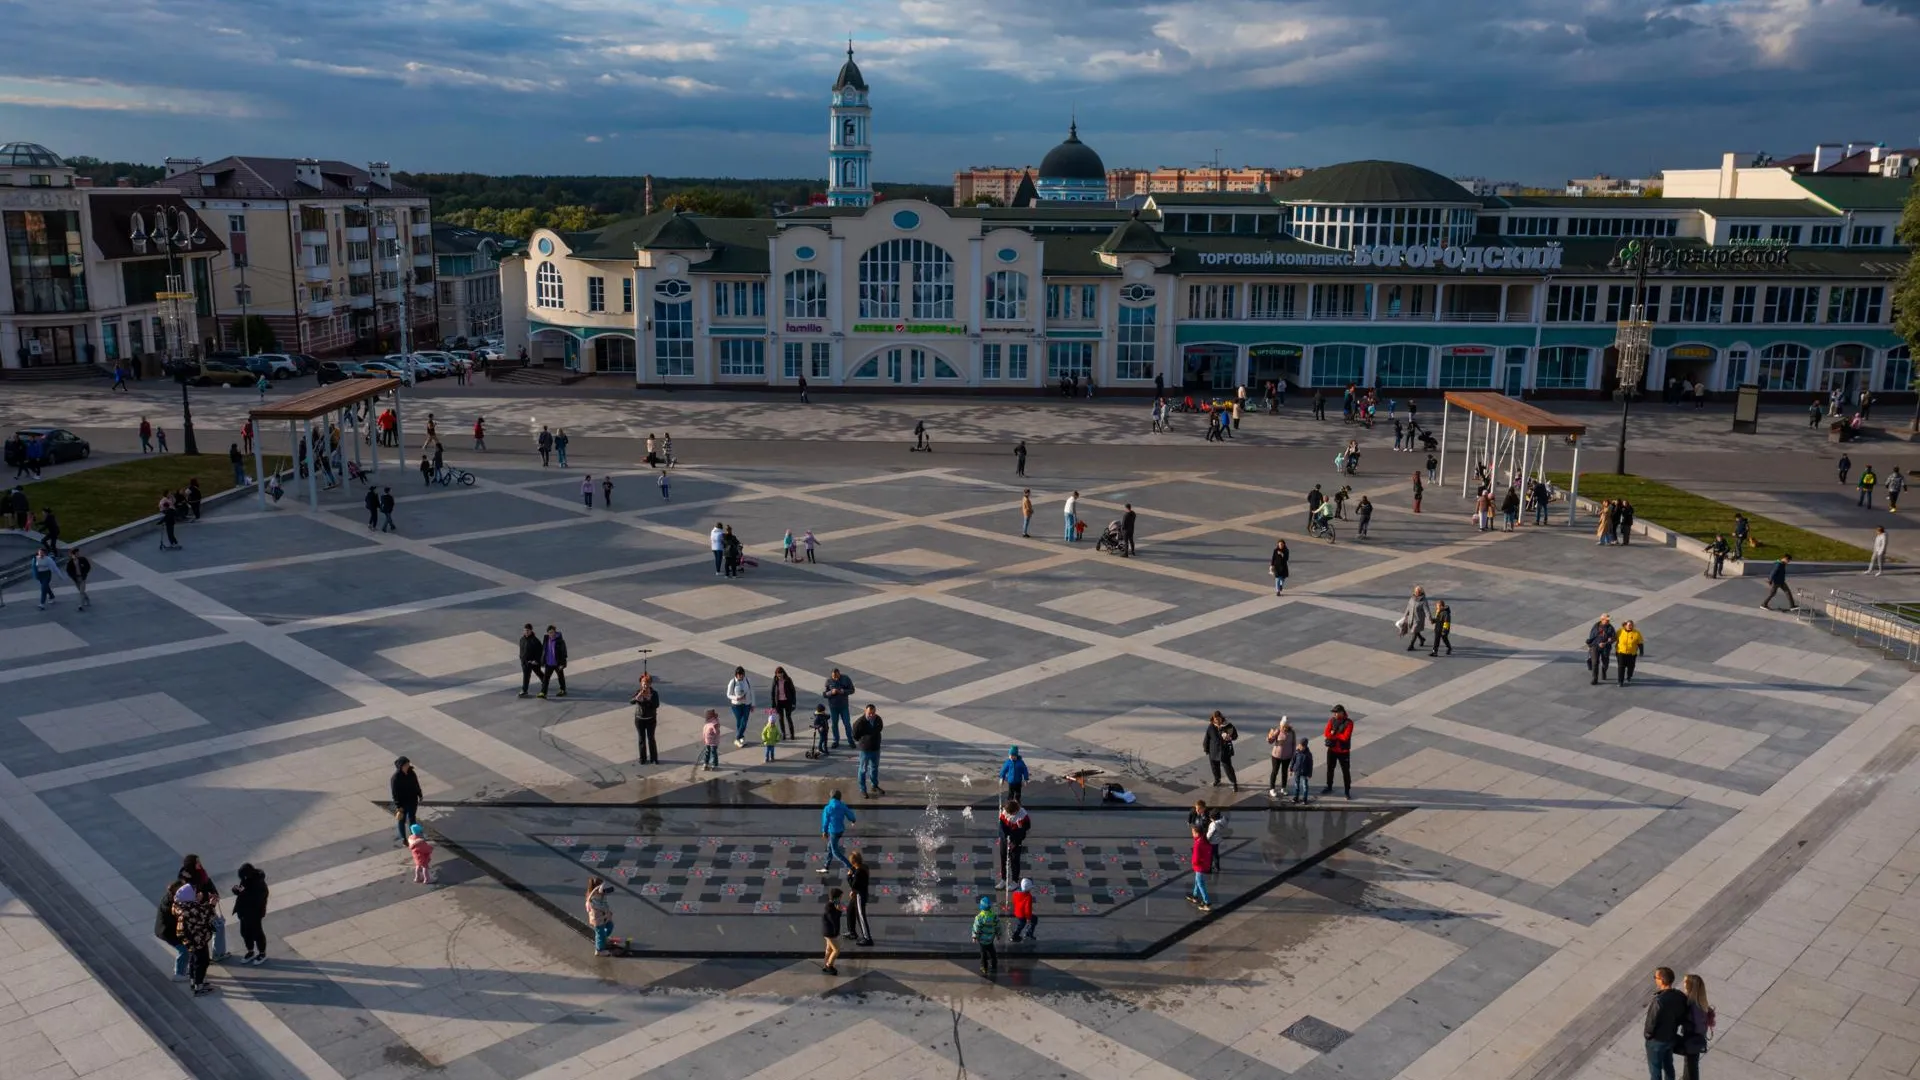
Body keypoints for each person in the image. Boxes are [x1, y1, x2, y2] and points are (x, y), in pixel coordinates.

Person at [1644, 966, 1691, 1080]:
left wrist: (1648, 1036)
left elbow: (1651, 1023)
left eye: (1655, 977)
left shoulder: (1658, 1001)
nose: (1655, 979)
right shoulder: (1679, 996)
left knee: (1655, 1070)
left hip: (1656, 1041)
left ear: (1661, 980)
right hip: (1670, 1038)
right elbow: (1683, 1015)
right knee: (1668, 1065)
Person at [173, 883, 217, 995]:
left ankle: (194, 982)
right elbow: (206, 917)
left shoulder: (181, 905)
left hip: (190, 939)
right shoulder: (192, 909)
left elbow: (199, 911)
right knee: (202, 962)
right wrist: (212, 905)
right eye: (195, 893)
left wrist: (199, 901)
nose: (198, 894)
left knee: (193, 959)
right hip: (197, 939)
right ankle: (199, 986)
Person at [232, 864, 269, 965]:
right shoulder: (246, 879)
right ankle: (250, 951)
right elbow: (242, 890)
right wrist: (236, 890)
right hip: (244, 912)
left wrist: (243, 893)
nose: (243, 879)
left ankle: (262, 953)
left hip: (255, 913)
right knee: (244, 932)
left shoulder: (259, 883)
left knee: (257, 933)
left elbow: (257, 899)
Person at [1680, 973, 1714, 1080]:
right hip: (1694, 1039)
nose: (1683, 985)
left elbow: (1699, 1026)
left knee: (1691, 1065)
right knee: (1690, 1063)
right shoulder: (1698, 1001)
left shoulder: (1694, 1006)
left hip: (1693, 1039)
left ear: (1690, 986)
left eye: (1685, 983)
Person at [852, 704, 885, 796]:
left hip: (876, 748)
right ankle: (863, 789)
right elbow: (855, 735)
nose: (871, 715)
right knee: (863, 769)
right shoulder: (859, 723)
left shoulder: (878, 719)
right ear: (865, 712)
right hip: (865, 750)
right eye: (869, 713)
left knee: (874, 768)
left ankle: (874, 785)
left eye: (873, 713)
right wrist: (864, 741)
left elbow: (880, 728)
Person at [819, 790, 856, 874]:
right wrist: (853, 820)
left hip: (833, 832)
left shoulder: (828, 808)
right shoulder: (842, 806)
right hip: (840, 830)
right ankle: (826, 866)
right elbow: (850, 814)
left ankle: (851, 868)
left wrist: (824, 831)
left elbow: (825, 821)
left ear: (831, 797)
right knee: (830, 847)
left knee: (835, 852)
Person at [996, 798, 1031, 887]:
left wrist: (1014, 841)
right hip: (1005, 840)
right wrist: (1005, 839)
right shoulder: (1005, 812)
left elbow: (1026, 829)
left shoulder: (1023, 815)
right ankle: (1003, 879)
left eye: (1012, 813)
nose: (1011, 815)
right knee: (1003, 859)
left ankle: (1015, 881)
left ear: (1016, 810)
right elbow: (1001, 827)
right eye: (1009, 814)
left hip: (1016, 840)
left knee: (1014, 861)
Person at [1322, 705, 1354, 798]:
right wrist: (1336, 735)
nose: (1334, 714)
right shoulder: (1332, 720)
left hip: (1343, 751)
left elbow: (1345, 737)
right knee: (1330, 769)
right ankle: (1329, 786)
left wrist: (1334, 734)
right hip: (1332, 750)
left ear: (1342, 712)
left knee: (1346, 771)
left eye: (1336, 712)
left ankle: (1347, 790)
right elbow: (1326, 733)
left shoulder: (1349, 723)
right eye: (1334, 713)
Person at [1203, 711, 1239, 792]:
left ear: (1221, 718)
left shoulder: (1228, 726)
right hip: (1213, 750)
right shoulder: (1211, 726)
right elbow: (1207, 738)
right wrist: (1206, 748)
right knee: (1214, 767)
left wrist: (1230, 737)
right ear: (1213, 719)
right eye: (1216, 720)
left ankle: (1234, 783)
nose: (1217, 722)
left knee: (1228, 768)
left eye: (1218, 719)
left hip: (1224, 751)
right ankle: (1217, 779)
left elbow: (1235, 736)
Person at [391, 756, 423, 844]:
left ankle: (414, 836)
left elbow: (416, 784)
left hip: (412, 800)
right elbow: (395, 793)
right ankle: (403, 838)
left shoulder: (411, 773)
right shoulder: (395, 778)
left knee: (412, 818)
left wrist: (419, 794)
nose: (408, 766)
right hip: (402, 802)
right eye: (406, 765)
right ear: (401, 766)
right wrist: (398, 806)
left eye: (408, 764)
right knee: (402, 820)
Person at [844, 850, 873, 945]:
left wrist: (848, 876)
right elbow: (855, 871)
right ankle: (852, 932)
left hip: (860, 895)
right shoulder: (863, 867)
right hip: (857, 893)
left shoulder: (859, 872)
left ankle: (867, 938)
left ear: (853, 862)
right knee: (850, 910)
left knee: (860, 916)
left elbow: (854, 885)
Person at [630, 674, 660, 764]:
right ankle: (642, 758)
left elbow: (656, 705)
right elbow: (631, 701)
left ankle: (653, 758)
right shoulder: (638, 691)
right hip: (640, 719)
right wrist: (637, 698)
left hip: (650, 719)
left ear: (650, 684)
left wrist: (649, 699)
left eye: (647, 684)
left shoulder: (654, 693)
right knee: (641, 739)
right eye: (643, 684)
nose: (645, 686)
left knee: (651, 738)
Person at [823, 668, 854, 748]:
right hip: (833, 707)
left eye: (837, 676)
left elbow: (852, 690)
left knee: (847, 724)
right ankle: (836, 740)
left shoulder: (846, 679)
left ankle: (850, 740)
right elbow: (824, 694)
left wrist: (843, 691)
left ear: (839, 673)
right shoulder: (828, 681)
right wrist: (831, 692)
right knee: (834, 725)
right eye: (834, 677)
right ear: (831, 675)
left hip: (844, 706)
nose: (836, 678)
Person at [1266, 716, 1296, 797]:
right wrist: (1270, 736)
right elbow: (1271, 741)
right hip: (1276, 755)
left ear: (1287, 725)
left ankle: (1283, 788)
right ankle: (1272, 789)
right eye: (1282, 725)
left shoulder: (1292, 732)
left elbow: (1293, 744)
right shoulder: (1278, 730)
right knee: (1275, 771)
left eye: (1284, 725)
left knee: (1284, 772)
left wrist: (1293, 755)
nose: (1282, 727)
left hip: (1287, 756)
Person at [972, 896, 1001, 977]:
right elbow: (998, 926)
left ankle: (984, 967)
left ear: (981, 907)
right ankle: (994, 965)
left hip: (982, 940)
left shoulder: (979, 917)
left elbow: (976, 928)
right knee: (992, 953)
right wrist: (998, 935)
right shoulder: (994, 916)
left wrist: (974, 936)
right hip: (990, 939)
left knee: (983, 955)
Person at [1187, 825, 1214, 914]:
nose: (1192, 834)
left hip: (1200, 866)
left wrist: (1194, 864)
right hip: (1205, 865)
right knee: (1197, 881)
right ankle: (1195, 896)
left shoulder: (1198, 844)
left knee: (1200, 883)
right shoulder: (1204, 840)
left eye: (1193, 832)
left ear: (1197, 833)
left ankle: (1207, 903)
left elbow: (1196, 858)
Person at [586, 876, 615, 956]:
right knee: (600, 934)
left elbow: (604, 904)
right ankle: (599, 950)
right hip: (598, 919)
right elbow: (600, 906)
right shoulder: (594, 897)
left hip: (603, 916)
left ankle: (604, 939)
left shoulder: (599, 895)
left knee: (610, 926)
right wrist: (600, 888)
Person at [1586, 614, 1617, 685]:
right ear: (1602, 619)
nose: (1608, 621)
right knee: (1595, 662)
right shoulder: (1596, 626)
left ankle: (1604, 671)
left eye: (1608, 620)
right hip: (1595, 646)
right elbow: (1592, 637)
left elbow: (1614, 637)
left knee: (1605, 662)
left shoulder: (1610, 628)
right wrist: (1596, 644)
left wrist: (1610, 640)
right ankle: (1595, 678)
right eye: (1607, 620)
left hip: (1605, 647)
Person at [726, 666, 753, 745]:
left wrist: (753, 703)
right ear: (736, 674)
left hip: (746, 704)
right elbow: (728, 694)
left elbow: (752, 692)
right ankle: (740, 737)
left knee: (744, 721)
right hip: (736, 705)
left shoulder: (747, 680)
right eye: (739, 675)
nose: (741, 676)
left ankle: (738, 737)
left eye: (742, 674)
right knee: (739, 721)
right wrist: (736, 698)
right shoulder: (732, 682)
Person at [540, 625, 568, 699]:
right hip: (549, 663)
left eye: (552, 632)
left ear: (555, 632)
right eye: (549, 633)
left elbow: (564, 653)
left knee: (560, 677)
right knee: (546, 678)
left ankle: (563, 690)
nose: (551, 634)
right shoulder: (546, 639)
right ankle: (543, 692)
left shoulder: (560, 641)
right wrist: (543, 661)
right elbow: (544, 650)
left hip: (557, 663)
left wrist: (563, 664)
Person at [1615, 619, 1645, 686]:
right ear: (1625, 625)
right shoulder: (1620, 631)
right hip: (1621, 653)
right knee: (1621, 667)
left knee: (1631, 667)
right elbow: (1614, 639)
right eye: (1628, 625)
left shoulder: (1637, 633)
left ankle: (1629, 676)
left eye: (1631, 625)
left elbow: (1640, 643)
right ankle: (1620, 682)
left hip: (1631, 654)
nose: (1630, 626)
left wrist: (1641, 651)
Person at [1401, 586, 1430, 651]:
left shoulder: (1423, 600)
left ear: (1421, 592)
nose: (1416, 593)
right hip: (1411, 618)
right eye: (1416, 591)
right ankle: (1422, 639)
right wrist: (1405, 615)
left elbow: (1427, 610)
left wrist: (1430, 618)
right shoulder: (1412, 598)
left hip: (1418, 619)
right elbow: (1408, 607)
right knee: (1415, 631)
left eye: (1418, 592)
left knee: (1414, 631)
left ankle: (1411, 645)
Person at [517, 624, 543, 698]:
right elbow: (521, 650)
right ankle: (524, 690)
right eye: (525, 630)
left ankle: (544, 682)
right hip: (525, 662)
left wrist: (536, 661)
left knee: (538, 672)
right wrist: (521, 658)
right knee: (526, 676)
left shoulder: (535, 641)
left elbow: (540, 652)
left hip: (533, 662)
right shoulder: (522, 639)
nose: (526, 632)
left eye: (528, 630)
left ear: (531, 631)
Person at [821, 890, 844, 975]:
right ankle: (829, 965)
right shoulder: (830, 907)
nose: (841, 899)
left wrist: (838, 910)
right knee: (836, 950)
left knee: (829, 949)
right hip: (830, 933)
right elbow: (834, 920)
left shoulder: (831, 905)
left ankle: (825, 964)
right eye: (840, 897)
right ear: (836, 898)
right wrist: (839, 911)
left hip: (828, 932)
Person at [62, 547, 90, 611]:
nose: (78, 554)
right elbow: (68, 571)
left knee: (81, 592)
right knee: (81, 591)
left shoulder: (83, 559)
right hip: (76, 578)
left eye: (78, 553)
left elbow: (88, 567)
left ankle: (81, 605)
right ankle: (87, 599)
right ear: (72, 555)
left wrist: (85, 573)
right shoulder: (70, 562)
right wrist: (73, 576)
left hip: (82, 578)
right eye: (76, 553)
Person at [1009, 878, 1037, 942]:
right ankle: (1017, 935)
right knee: (1024, 923)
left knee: (1021, 924)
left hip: (1017, 912)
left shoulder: (1016, 893)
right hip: (1023, 914)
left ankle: (1018, 935)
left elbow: (1014, 901)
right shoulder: (1028, 896)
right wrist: (1028, 918)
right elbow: (1028, 909)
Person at [1290, 739, 1315, 803]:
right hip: (1297, 771)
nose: (1299, 747)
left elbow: (1310, 765)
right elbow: (1293, 761)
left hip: (1305, 773)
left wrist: (1310, 774)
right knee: (1296, 785)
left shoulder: (1308, 754)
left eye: (1301, 746)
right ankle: (1296, 797)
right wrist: (1291, 769)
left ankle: (1304, 799)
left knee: (1305, 786)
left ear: (1305, 746)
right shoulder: (1296, 752)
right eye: (1299, 745)